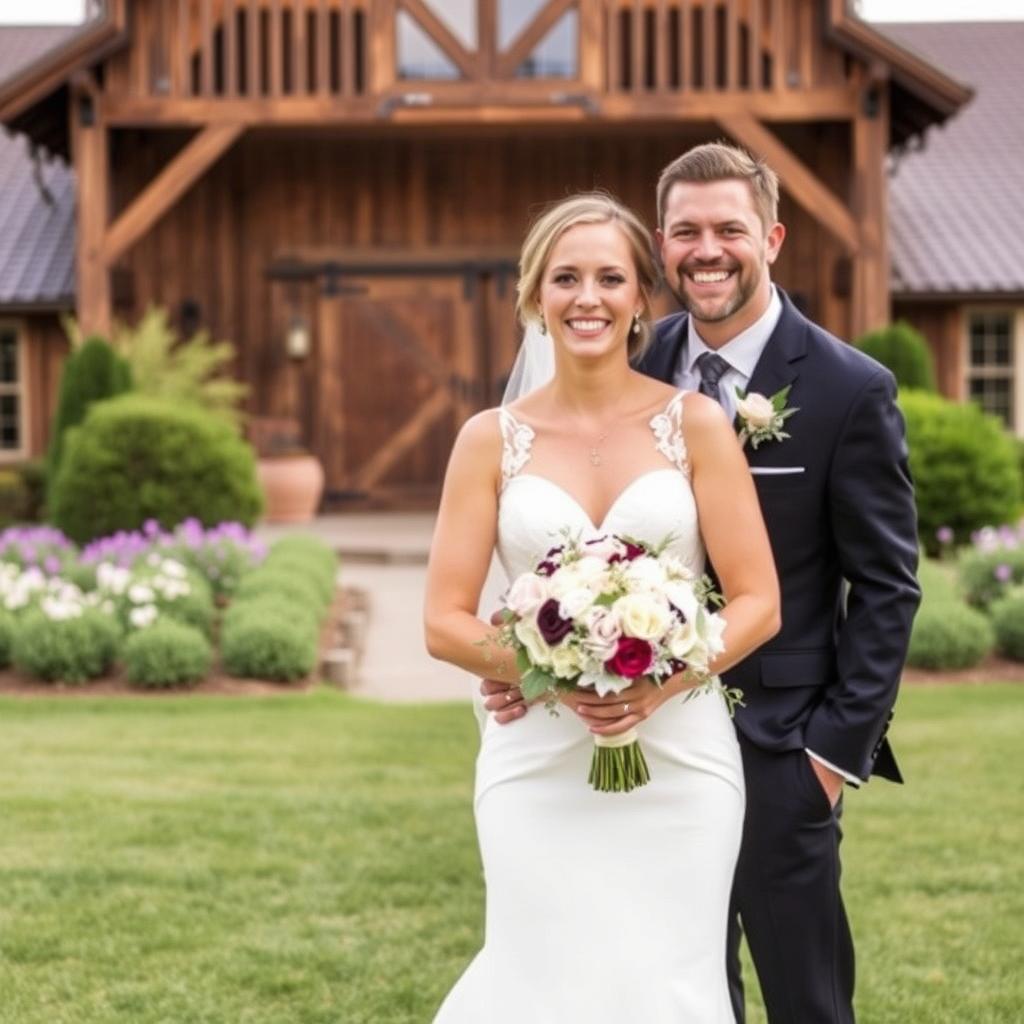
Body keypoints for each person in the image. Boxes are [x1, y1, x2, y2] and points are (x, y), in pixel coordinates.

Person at [482, 144, 922, 1023]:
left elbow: (887, 586)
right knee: (670, 986)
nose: (706, 249)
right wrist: (526, 657)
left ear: (772, 237)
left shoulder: (847, 388)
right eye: (685, 231)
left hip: (782, 746)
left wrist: (832, 758)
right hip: (621, 750)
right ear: (661, 246)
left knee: (805, 997)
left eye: (729, 229)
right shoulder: (623, 357)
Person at [424, 192, 780, 1022]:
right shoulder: (489, 438)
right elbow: (444, 620)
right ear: (534, 297)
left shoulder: (694, 425)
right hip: (536, 761)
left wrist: (657, 681)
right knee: (539, 969)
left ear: (640, 301)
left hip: (681, 756)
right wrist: (545, 670)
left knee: (670, 980)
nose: (588, 297)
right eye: (566, 278)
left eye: (610, 278)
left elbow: (760, 600)